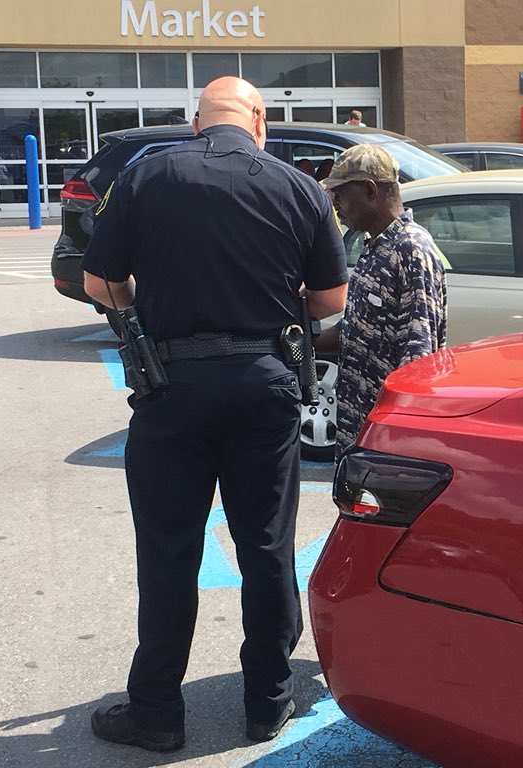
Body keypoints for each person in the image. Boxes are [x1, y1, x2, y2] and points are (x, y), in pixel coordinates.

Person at [80, 76, 348, 752]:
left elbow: (100, 283)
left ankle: (157, 715)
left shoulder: (147, 179)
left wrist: (155, 291)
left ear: (196, 121)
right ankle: (268, 701)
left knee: (169, 552)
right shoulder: (299, 188)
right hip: (264, 383)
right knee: (265, 546)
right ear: (257, 119)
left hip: (171, 386)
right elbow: (330, 299)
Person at [319, 144, 447, 460]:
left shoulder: (411, 251)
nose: (336, 205)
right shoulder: (375, 248)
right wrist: (300, 340)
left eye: (341, 195)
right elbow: (355, 331)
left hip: (387, 443)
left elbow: (418, 359)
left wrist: (396, 443)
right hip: (358, 435)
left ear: (369, 190)